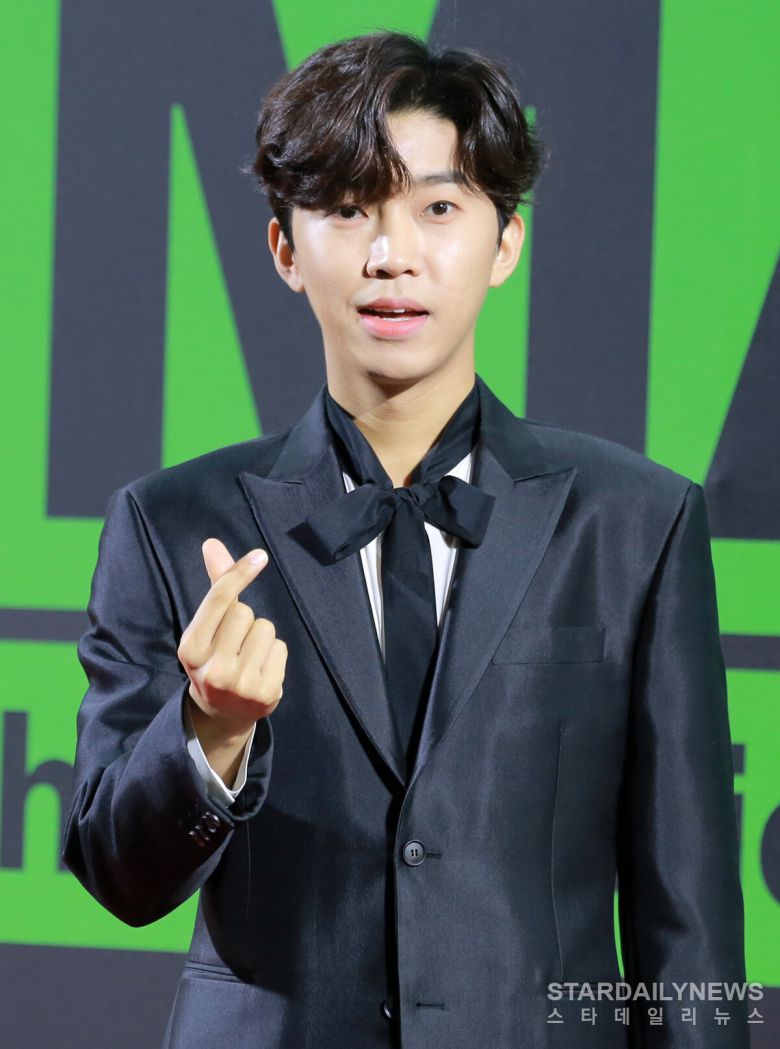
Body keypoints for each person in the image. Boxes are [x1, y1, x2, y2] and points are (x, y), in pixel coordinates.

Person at [63, 30, 748, 1049]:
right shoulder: (170, 523)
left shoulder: (636, 522)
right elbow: (117, 873)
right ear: (285, 250)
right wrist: (208, 730)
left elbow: (689, 926)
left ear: (505, 243)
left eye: (437, 207)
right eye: (349, 208)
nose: (392, 254)